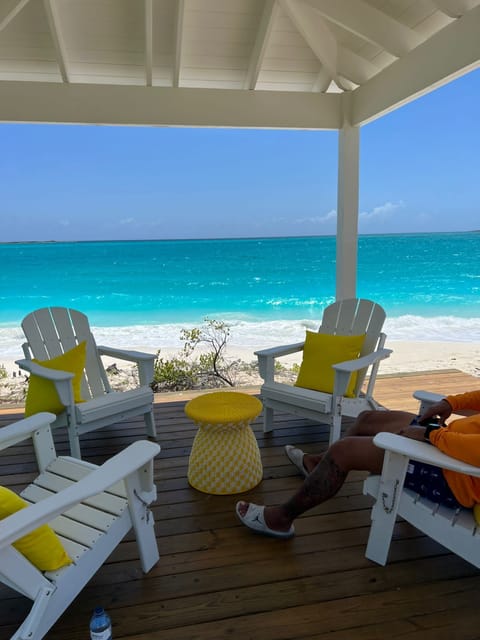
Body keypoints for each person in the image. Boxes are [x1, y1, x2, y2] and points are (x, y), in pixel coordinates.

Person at [236, 390, 480, 539]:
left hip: (452, 472)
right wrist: (450, 403)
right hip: (447, 441)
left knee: (344, 452)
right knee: (366, 419)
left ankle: (281, 518)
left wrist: (430, 436)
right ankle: (317, 464)